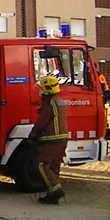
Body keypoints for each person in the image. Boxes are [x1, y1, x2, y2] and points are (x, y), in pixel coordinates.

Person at [28, 75, 68, 205]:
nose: (40, 92)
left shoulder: (49, 103)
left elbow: (42, 122)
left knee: (41, 165)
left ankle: (56, 190)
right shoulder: (59, 101)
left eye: (42, 89)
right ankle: (52, 195)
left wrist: (32, 136)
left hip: (51, 139)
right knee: (54, 166)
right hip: (62, 138)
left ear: (47, 90)